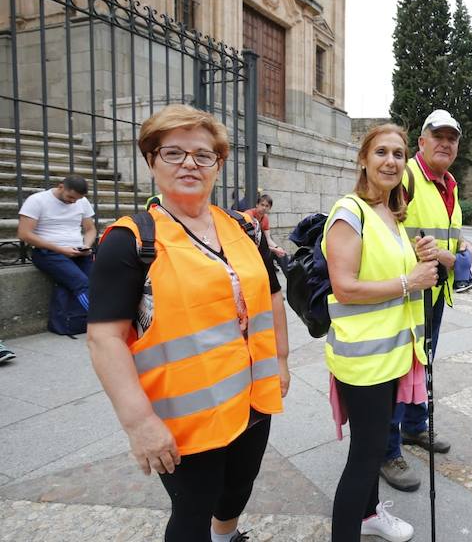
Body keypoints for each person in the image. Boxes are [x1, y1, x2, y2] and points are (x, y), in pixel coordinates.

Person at [86, 104, 290, 542]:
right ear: (151, 160)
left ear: (218, 163)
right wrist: (139, 423)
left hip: (252, 398)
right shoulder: (132, 240)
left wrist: (283, 362)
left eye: (203, 155)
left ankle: (226, 537)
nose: (190, 164)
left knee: (237, 490)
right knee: (192, 510)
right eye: (174, 153)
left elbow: (271, 295)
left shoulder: (240, 227)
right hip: (186, 415)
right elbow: (104, 339)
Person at [324, 123, 438, 542]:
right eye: (381, 153)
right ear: (363, 159)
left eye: (398, 154)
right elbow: (345, 287)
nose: (391, 161)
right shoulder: (348, 212)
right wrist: (410, 281)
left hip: (391, 354)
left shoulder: (391, 214)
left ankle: (370, 514)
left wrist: (421, 256)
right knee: (366, 454)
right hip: (363, 359)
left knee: (372, 450)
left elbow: (399, 274)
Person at [381, 109, 466, 491]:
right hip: (406, 291)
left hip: (433, 291)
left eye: (452, 138)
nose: (445, 143)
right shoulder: (407, 176)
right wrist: (445, 258)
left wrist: (460, 244)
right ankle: (387, 451)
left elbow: (443, 230)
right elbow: (388, 228)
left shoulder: (449, 183)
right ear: (422, 142)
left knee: (423, 362)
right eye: (438, 136)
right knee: (399, 368)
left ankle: (415, 427)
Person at [17, 175, 96, 315]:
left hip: (77, 251)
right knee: (82, 283)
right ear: (61, 187)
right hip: (48, 252)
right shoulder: (37, 200)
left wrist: (86, 245)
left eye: (77, 199)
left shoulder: (81, 201)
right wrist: (61, 249)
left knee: (99, 282)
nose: (73, 202)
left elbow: (90, 230)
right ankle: (100, 322)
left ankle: (98, 322)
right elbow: (24, 234)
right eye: (71, 197)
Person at [246, 194, 289, 271]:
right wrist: (274, 250)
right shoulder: (249, 215)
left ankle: (292, 280)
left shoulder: (265, 218)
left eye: (267, 206)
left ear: (270, 208)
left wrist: (278, 248)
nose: (264, 208)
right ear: (257, 204)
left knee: (282, 255)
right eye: (262, 205)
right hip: (248, 246)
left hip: (260, 246)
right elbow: (252, 243)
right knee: (270, 254)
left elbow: (268, 239)